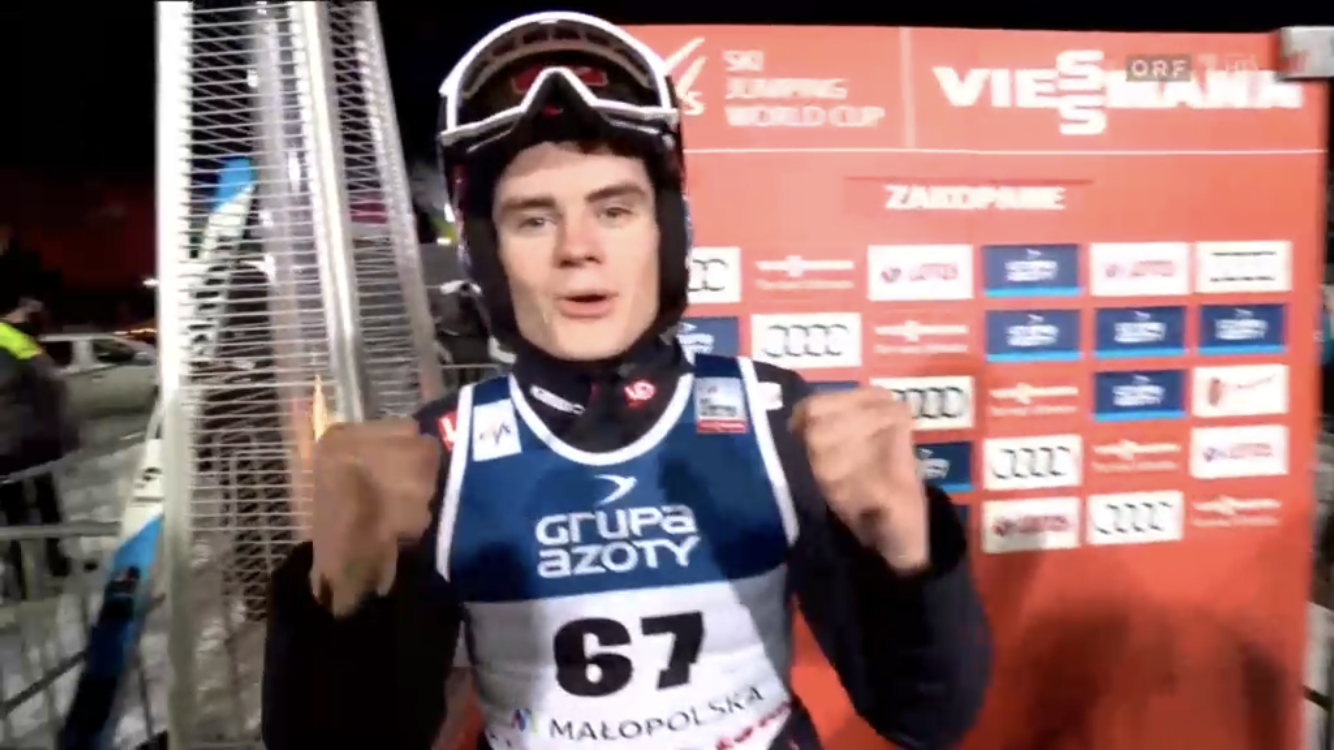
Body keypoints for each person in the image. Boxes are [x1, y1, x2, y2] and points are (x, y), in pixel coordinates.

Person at [261, 12, 991, 750]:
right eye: (533, 220)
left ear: (666, 234)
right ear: (487, 255)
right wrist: (341, 597)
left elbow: (925, 719)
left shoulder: (777, 420)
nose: (578, 248)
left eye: (614, 209)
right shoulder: (438, 455)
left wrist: (909, 551)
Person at [0, 292, 80, 596]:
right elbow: (48, 385)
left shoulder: (16, 339)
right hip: (21, 442)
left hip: (26, 441)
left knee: (33, 506)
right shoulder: (11, 340)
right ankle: (30, 575)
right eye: (28, 310)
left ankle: (37, 570)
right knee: (27, 508)